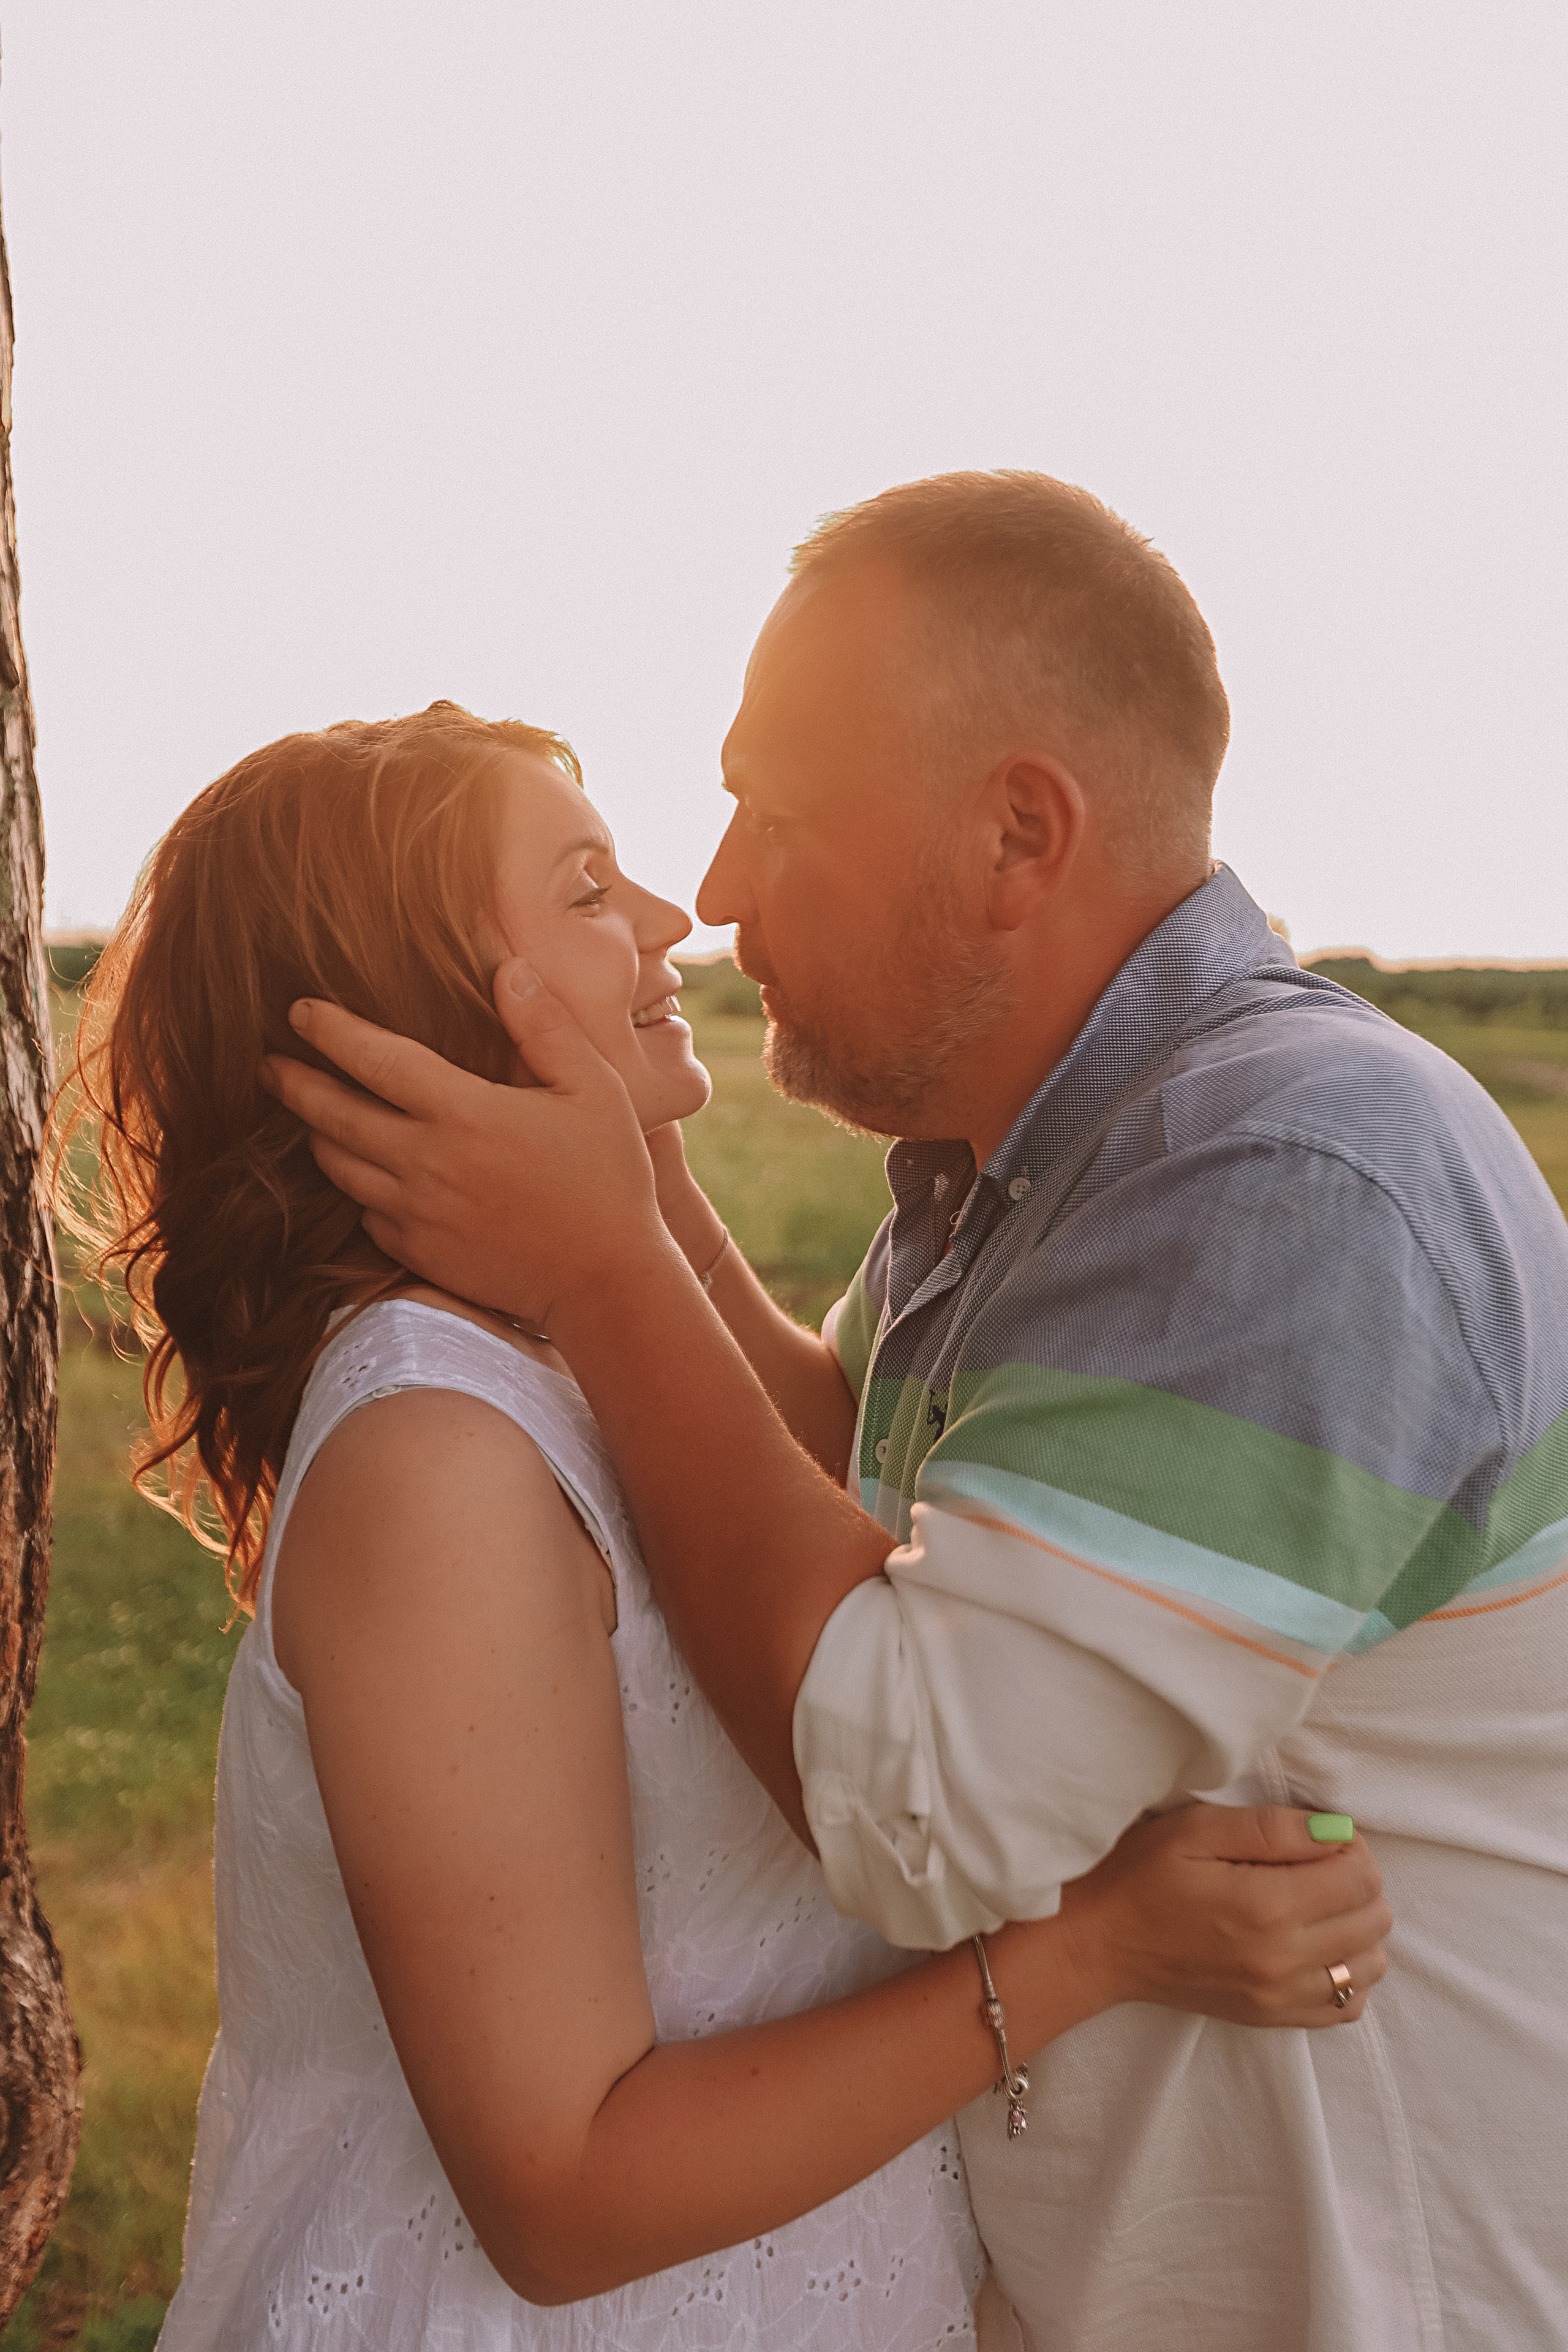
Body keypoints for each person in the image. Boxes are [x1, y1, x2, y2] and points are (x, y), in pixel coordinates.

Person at [274, 473, 1568, 2352]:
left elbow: (912, 1804)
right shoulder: (1051, 1170)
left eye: (774, 815)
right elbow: (841, 1465)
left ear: (1017, 836)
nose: (708, 893)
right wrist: (627, 1200)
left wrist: (608, 1273)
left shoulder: (1286, 1184)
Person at [59, 703, 1386, 2351]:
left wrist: (630, 1179)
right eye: (591, 886)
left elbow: (845, 1472)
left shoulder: (581, 1344)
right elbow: (562, 2194)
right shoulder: (438, 1455)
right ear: (431, 1009)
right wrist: (1096, 1949)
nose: (677, 917)